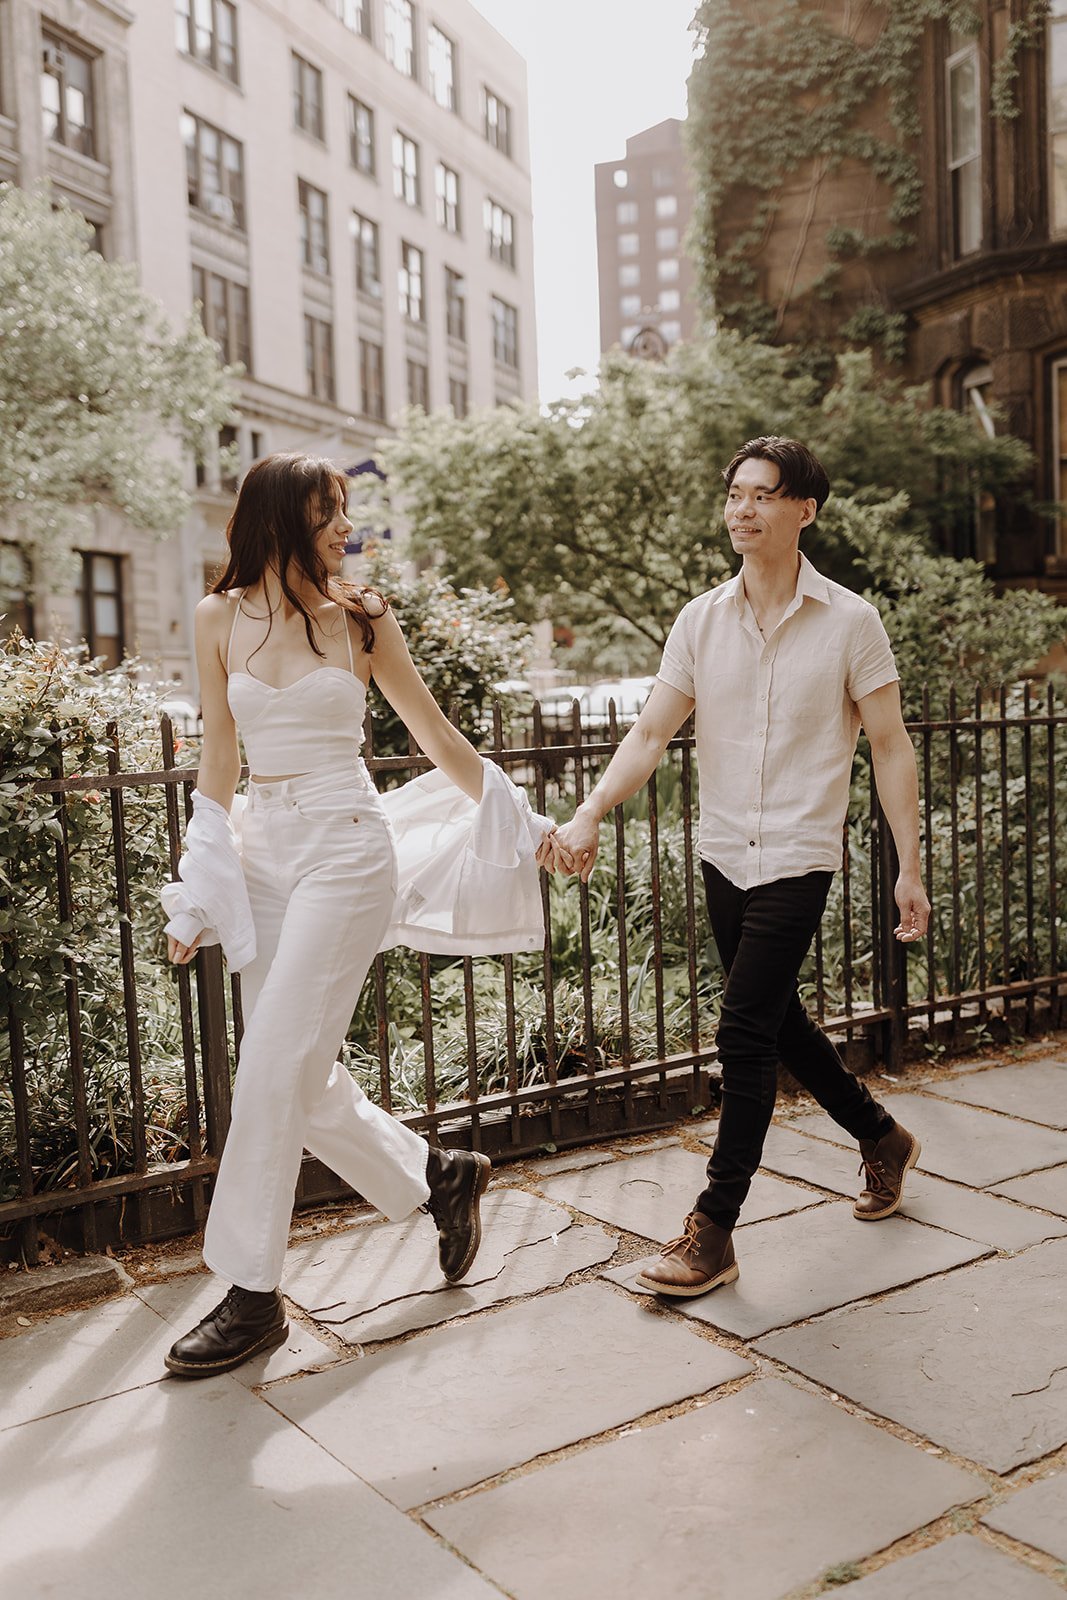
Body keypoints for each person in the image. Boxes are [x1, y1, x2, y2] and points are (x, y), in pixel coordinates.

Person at [543, 437, 931, 1298]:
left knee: (744, 1029)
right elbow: (649, 732)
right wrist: (589, 810)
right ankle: (880, 1137)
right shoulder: (700, 620)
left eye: (762, 495)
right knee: (778, 1020)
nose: (741, 509)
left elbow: (890, 746)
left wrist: (909, 865)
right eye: (734, 494)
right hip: (724, 848)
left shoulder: (849, 622)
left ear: (805, 512)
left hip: (798, 850)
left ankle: (712, 1231)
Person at [162, 452, 501, 1377]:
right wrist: (199, 888)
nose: (343, 532)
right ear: (276, 520)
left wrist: (522, 817)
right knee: (299, 1076)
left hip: (346, 850)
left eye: (345, 513)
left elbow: (433, 733)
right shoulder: (217, 617)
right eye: (326, 515)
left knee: (272, 1066)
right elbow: (219, 757)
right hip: (262, 852)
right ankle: (439, 1177)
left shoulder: (359, 619)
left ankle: (250, 1294)